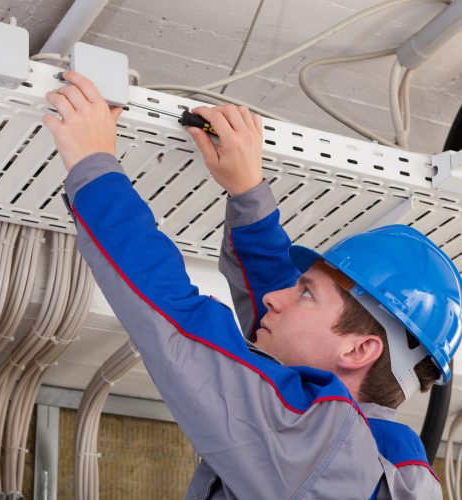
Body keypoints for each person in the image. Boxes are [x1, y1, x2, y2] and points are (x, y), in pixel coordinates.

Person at [43, 71, 461, 499]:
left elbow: (180, 324)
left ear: (358, 350)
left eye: (305, 293)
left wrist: (94, 168)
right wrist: (247, 193)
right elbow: (293, 338)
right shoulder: (377, 465)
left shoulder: (321, 452)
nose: (274, 298)